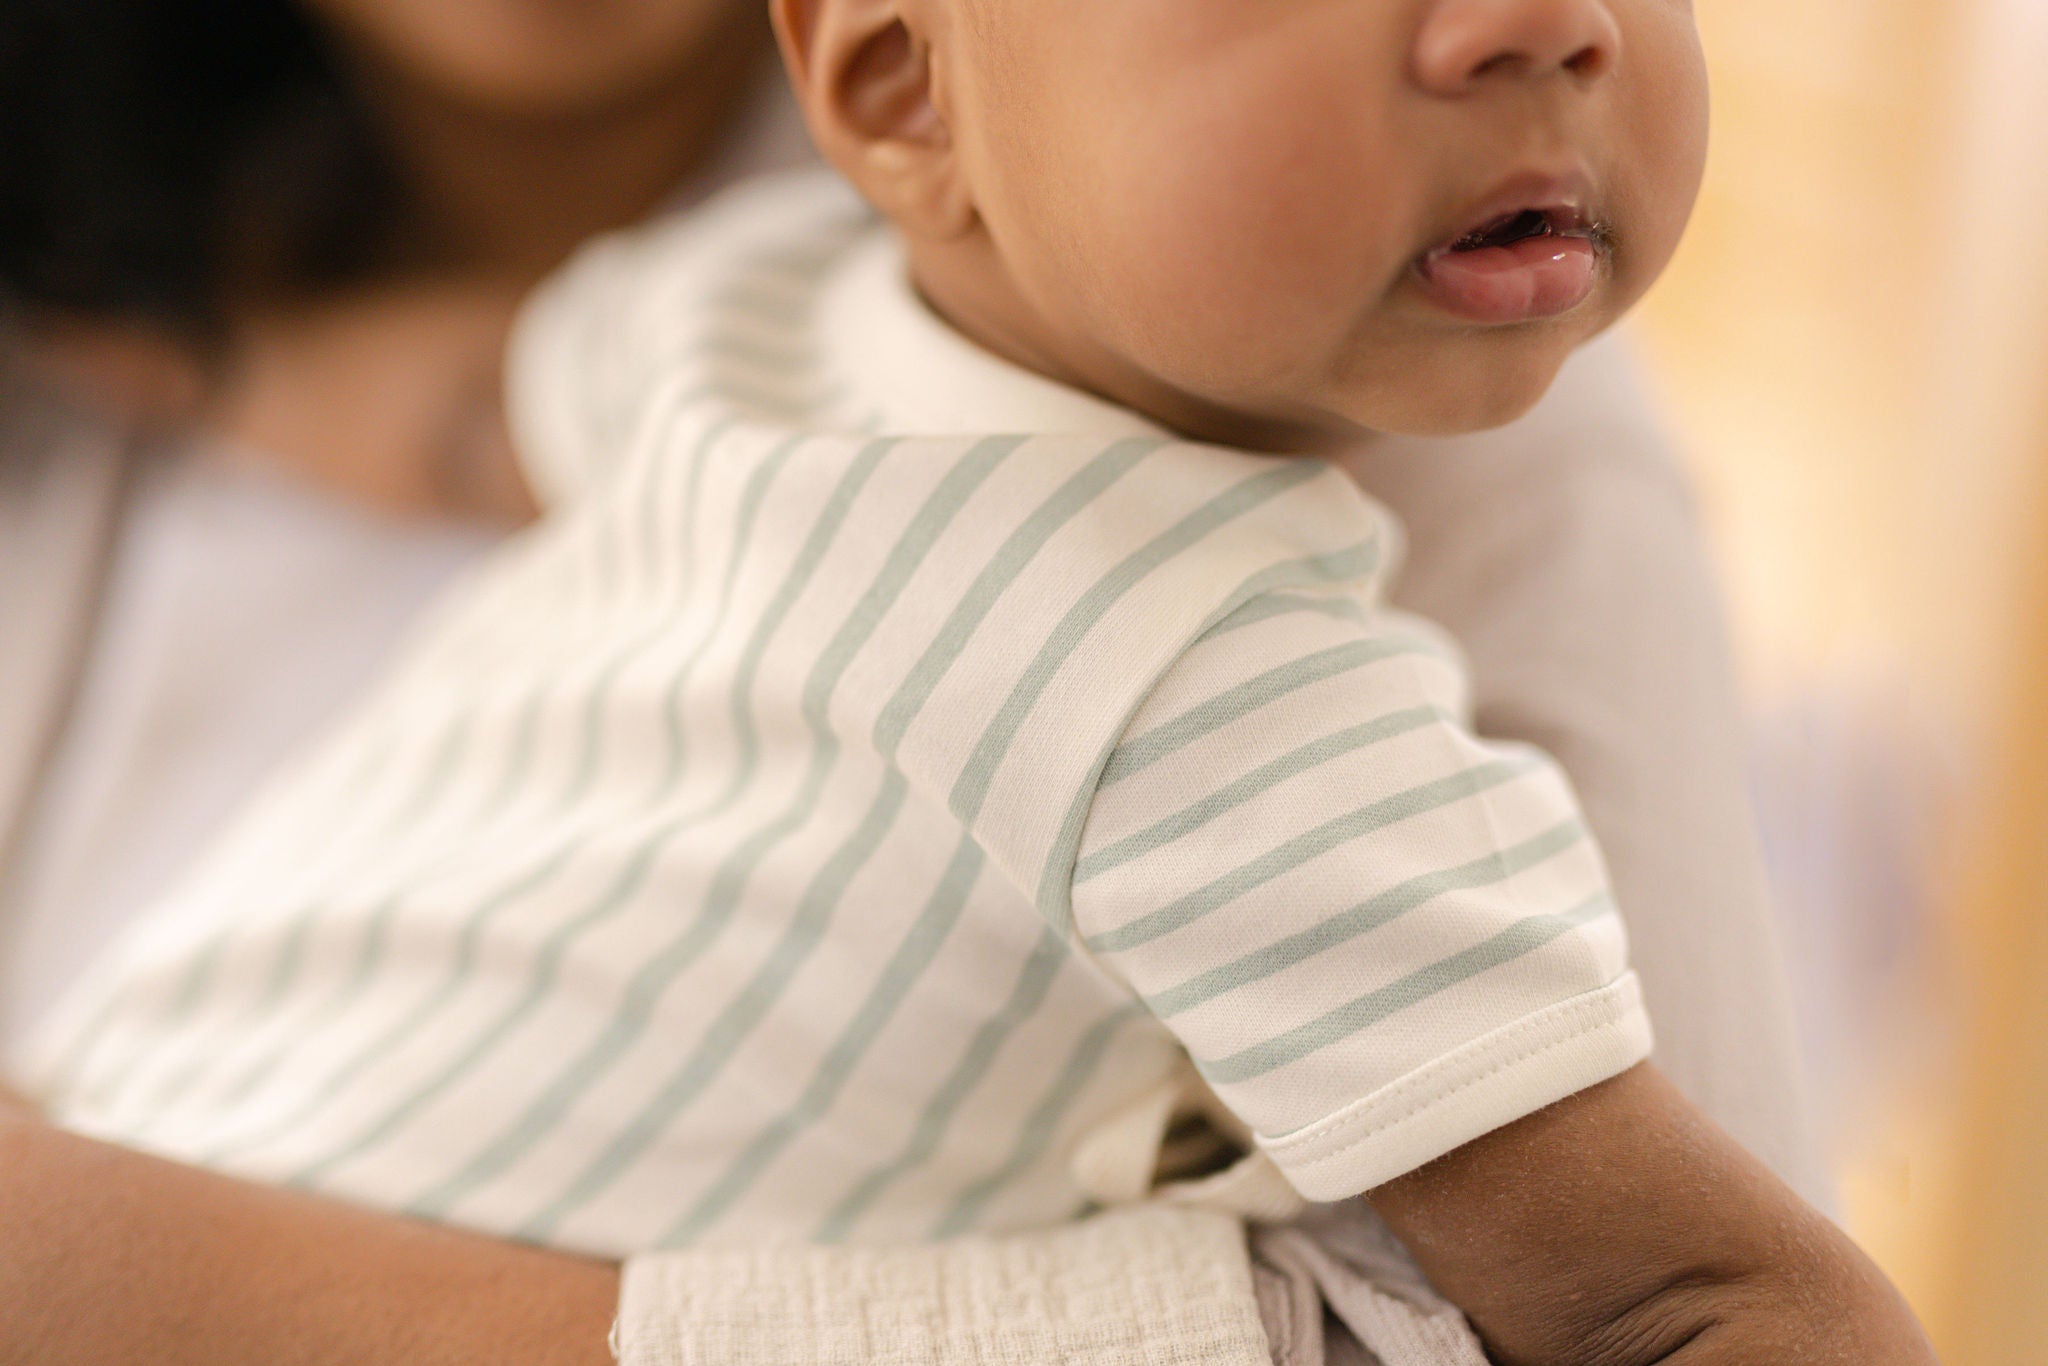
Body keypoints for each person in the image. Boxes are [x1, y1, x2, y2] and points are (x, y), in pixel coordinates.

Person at [0, 0, 1828, 1361]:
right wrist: (174, 339)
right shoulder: (765, 304)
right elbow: (496, 416)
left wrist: (182, 1287)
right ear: (888, 88)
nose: (1548, 20)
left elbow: (1690, 1297)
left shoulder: (1240, 711)